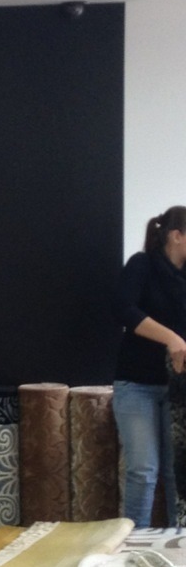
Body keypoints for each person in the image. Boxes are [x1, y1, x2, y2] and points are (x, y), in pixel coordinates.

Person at [111, 206, 186, 527]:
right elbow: (123, 309)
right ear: (177, 236)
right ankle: (132, 543)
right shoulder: (141, 264)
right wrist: (171, 338)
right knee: (143, 470)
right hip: (136, 385)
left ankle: (178, 543)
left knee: (175, 471)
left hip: (178, 389)